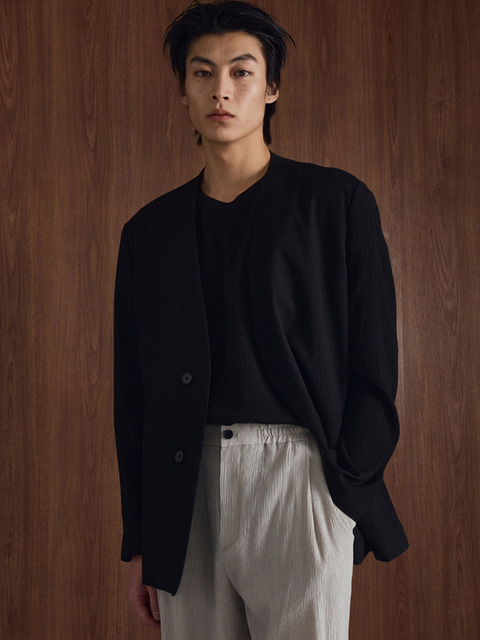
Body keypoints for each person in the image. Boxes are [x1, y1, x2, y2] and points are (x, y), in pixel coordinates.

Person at [113, 1, 409, 638]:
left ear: (271, 88)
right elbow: (134, 397)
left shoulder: (336, 204)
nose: (221, 89)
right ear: (183, 91)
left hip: (299, 478)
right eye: (202, 73)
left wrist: (342, 490)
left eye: (241, 72)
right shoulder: (148, 233)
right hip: (183, 489)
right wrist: (142, 540)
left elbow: (374, 367)